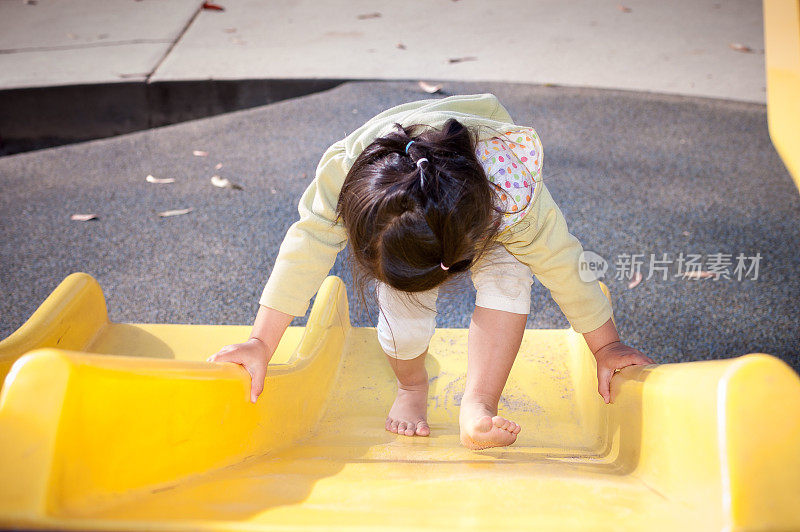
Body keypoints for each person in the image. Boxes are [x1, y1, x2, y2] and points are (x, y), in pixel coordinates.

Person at [207, 94, 653, 450]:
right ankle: (411, 386)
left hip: (483, 199)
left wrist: (606, 345)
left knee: (509, 279)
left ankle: (479, 405)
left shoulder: (516, 200)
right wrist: (261, 342)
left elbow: (563, 265)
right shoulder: (346, 177)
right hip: (414, 200)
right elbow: (306, 247)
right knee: (402, 309)